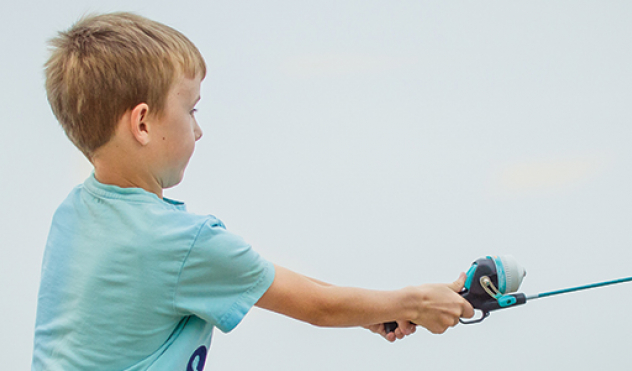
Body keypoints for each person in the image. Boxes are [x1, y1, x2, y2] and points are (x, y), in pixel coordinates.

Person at [32, 12, 474, 370]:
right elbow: (317, 306)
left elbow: (259, 275)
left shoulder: (72, 215)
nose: (199, 130)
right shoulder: (181, 243)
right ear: (143, 123)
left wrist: (375, 309)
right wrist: (414, 302)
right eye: (191, 110)